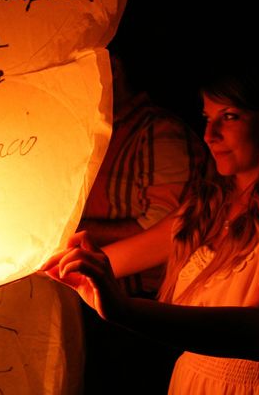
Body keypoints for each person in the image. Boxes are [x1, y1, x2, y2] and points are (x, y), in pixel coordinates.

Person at [42, 63, 259, 394]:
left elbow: (257, 333)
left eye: (229, 116)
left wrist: (125, 310)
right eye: (207, 118)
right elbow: (100, 263)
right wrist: (23, 255)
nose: (209, 134)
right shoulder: (204, 211)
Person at [79, 47, 207, 392]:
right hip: (104, 304)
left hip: (147, 313)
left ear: (114, 69)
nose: (210, 136)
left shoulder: (158, 132)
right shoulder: (96, 134)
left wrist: (69, 236)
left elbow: (159, 231)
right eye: (210, 120)